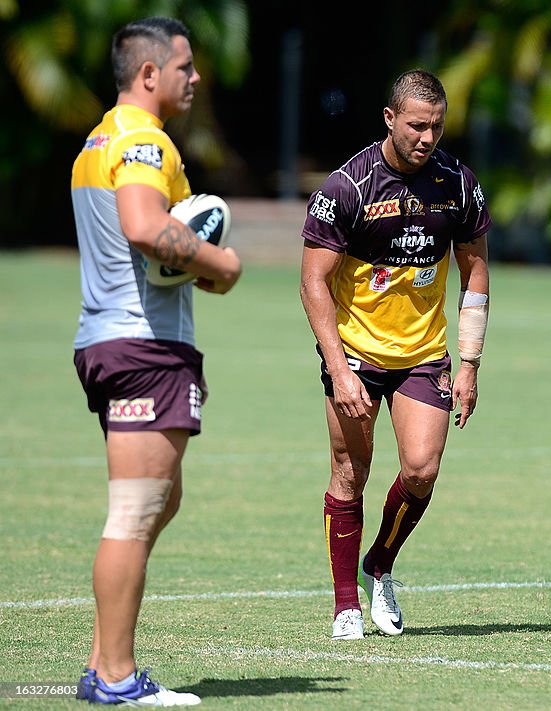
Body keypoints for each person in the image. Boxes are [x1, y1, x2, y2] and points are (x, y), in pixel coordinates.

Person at [71, 16, 242, 706]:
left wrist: (181, 264)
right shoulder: (144, 141)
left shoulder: (99, 140)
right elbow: (144, 227)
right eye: (185, 67)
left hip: (112, 337)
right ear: (150, 75)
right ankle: (114, 677)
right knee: (137, 511)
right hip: (142, 346)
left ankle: (100, 663)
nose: (195, 78)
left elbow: (136, 244)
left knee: (159, 499)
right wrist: (219, 262)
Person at [299, 69, 491, 640]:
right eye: (416, 126)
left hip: (423, 353)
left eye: (436, 126)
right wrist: (337, 368)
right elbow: (313, 283)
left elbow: (474, 273)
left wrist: (470, 361)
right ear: (390, 119)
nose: (428, 138)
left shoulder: (458, 185)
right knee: (349, 472)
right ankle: (344, 606)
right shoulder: (348, 188)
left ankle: (380, 564)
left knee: (422, 470)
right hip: (355, 352)